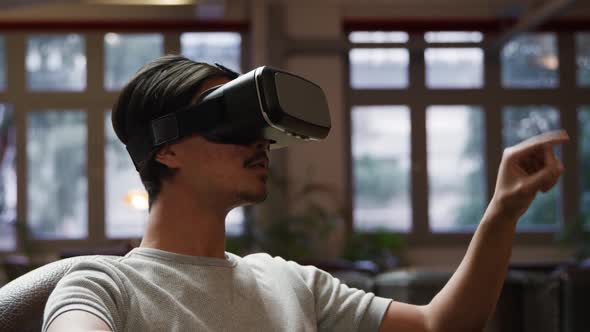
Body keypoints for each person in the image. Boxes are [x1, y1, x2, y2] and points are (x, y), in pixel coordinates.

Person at [42, 55, 569, 332]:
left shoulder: (291, 283)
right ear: (166, 151)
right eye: (231, 121)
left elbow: (441, 325)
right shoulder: (101, 287)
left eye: (261, 127)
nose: (261, 143)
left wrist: (503, 212)